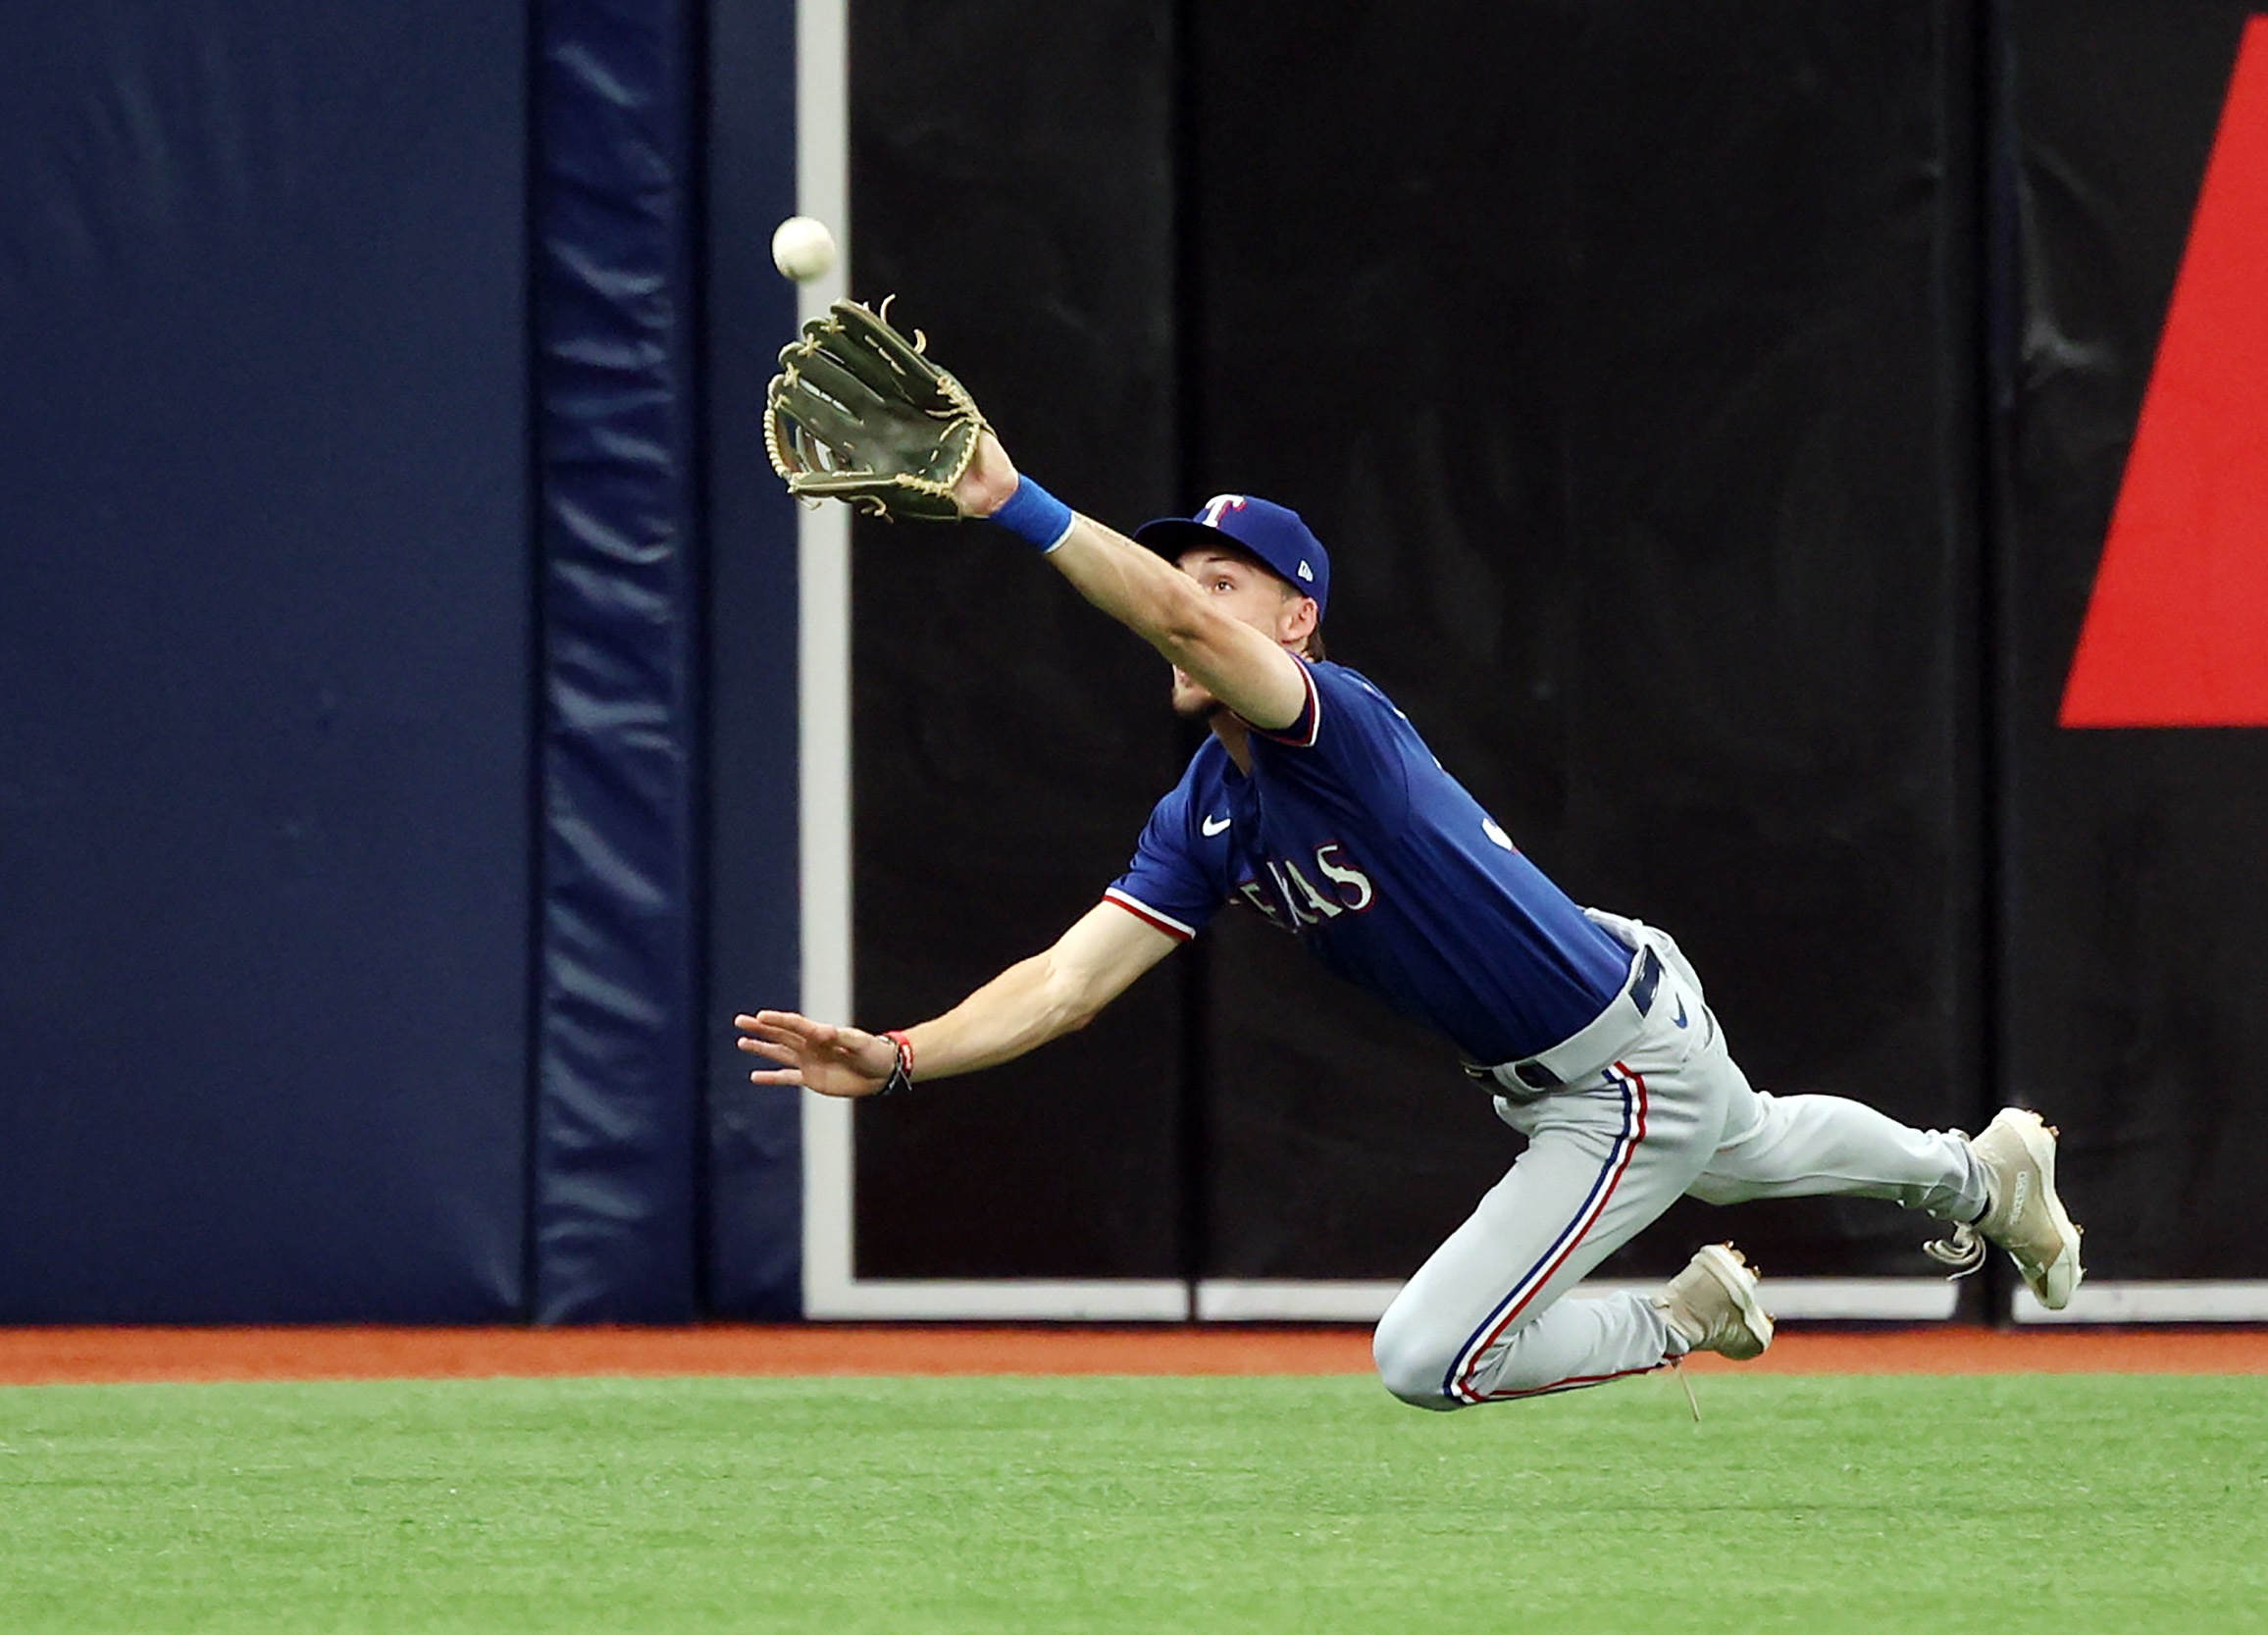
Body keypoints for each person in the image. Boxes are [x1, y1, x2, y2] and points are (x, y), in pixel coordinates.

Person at [735, 429, 2084, 1410]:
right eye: (1184, 576)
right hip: (1618, 986)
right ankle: (1981, 1175)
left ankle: (1676, 1322)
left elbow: (1189, 640)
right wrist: (902, 1056)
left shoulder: (1332, 727)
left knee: (1428, 1360)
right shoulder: (1206, 810)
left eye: (1223, 581)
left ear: (1294, 620)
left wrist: (1012, 501)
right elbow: (1069, 983)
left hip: (1611, 1076)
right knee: (1756, 1144)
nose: (1190, 605)